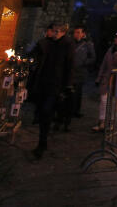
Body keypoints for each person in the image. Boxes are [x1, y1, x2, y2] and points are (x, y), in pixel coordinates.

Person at [27, 21, 75, 160]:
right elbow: (35, 54)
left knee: (47, 111)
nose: (54, 33)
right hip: (43, 83)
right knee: (43, 112)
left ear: (63, 32)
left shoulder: (67, 45)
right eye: (53, 31)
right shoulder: (47, 42)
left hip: (56, 85)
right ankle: (43, 141)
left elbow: (70, 65)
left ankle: (42, 143)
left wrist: (67, 86)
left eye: (57, 31)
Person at [94, 31, 117, 132]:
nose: (114, 40)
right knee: (103, 101)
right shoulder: (110, 50)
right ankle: (102, 122)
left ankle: (111, 123)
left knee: (115, 103)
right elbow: (104, 64)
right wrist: (99, 77)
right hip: (106, 78)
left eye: (116, 38)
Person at [70, 25, 95, 119]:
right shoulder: (71, 43)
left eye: (78, 32)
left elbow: (93, 57)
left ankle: (76, 110)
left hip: (80, 72)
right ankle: (69, 110)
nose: (76, 34)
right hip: (71, 71)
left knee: (77, 92)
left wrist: (84, 62)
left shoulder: (88, 45)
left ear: (83, 34)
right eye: (75, 32)